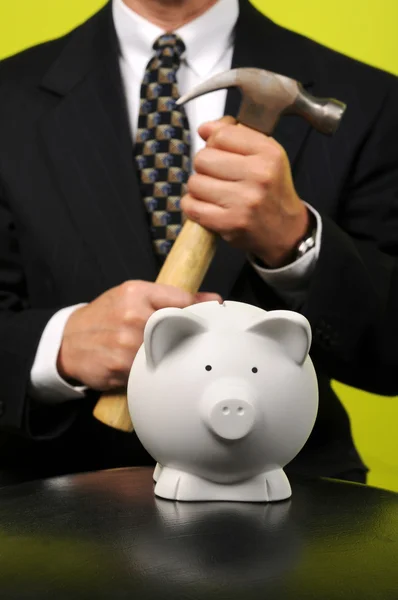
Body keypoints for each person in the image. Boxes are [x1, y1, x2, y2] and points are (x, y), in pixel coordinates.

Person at [0, 0, 397, 487]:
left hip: (294, 499)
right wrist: (56, 347)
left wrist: (296, 242)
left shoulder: (372, 97)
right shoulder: (7, 96)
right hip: (49, 497)